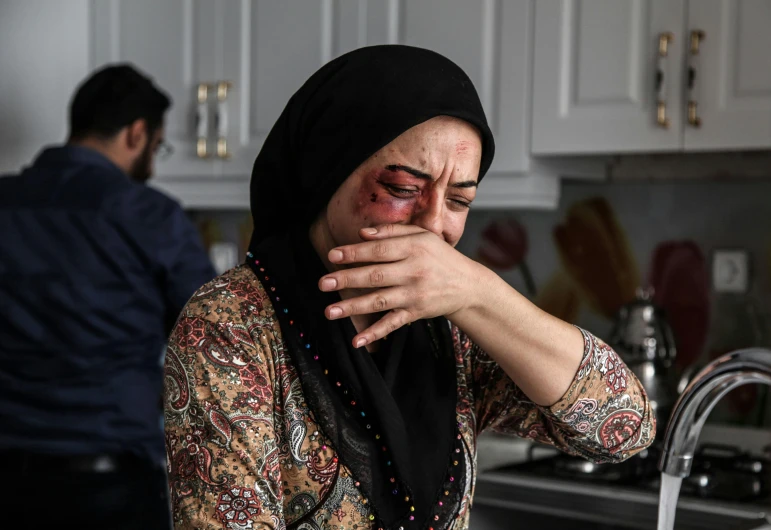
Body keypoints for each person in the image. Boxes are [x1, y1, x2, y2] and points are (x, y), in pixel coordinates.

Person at [164, 45, 654, 530]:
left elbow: (622, 430)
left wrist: (480, 292)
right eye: (402, 190)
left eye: (459, 201)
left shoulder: (454, 320)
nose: (433, 225)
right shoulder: (231, 324)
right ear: (326, 169)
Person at [0, 64, 216, 529]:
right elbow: (211, 340)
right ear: (137, 133)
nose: (153, 162)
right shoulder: (150, 215)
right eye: (158, 146)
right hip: (112, 486)